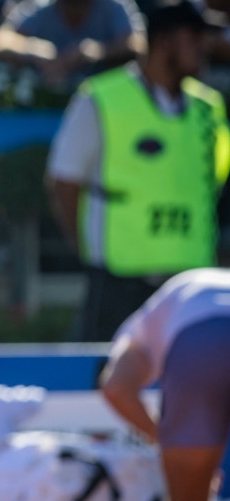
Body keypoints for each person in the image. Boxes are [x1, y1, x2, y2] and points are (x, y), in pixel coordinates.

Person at [46, 1, 230, 342]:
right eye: (194, 37)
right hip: (119, 278)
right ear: (164, 41)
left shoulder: (209, 107)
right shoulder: (101, 98)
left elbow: (215, 178)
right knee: (108, 381)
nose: (205, 47)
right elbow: (64, 181)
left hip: (189, 278)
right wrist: (85, 243)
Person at [100, 268, 230, 501]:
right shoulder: (190, 294)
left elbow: (116, 388)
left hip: (197, 348)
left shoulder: (141, 329)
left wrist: (169, 440)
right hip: (196, 337)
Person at [0, 0, 144, 91]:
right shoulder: (40, 6)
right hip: (48, 106)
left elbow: (140, 44)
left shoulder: (114, 6)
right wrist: (32, 49)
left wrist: (100, 51)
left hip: (105, 101)